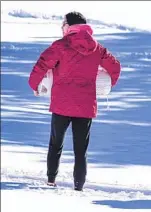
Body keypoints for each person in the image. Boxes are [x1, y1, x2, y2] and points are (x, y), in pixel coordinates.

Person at [28, 11, 121, 191]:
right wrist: (107, 84)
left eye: (63, 23)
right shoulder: (98, 48)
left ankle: (51, 180)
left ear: (69, 26)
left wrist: (34, 84)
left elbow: (42, 64)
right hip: (85, 105)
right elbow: (115, 67)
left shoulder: (60, 45)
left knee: (56, 144)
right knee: (81, 150)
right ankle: (79, 186)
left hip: (61, 104)